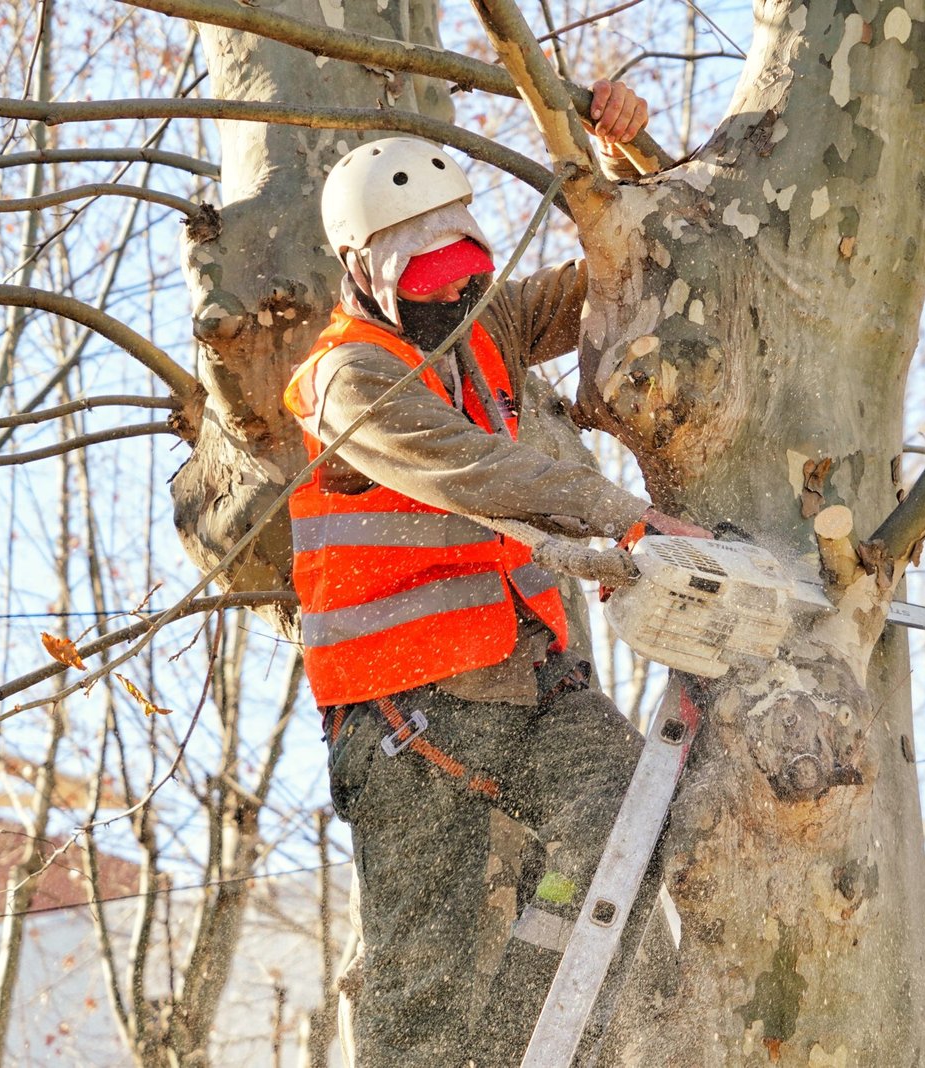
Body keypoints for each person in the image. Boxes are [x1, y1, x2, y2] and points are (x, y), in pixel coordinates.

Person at [281, 81, 707, 1067]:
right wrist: (630, 525)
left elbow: (641, 255)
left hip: (530, 676)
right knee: (419, 987)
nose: (447, 291)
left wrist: (631, 160)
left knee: (622, 837)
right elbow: (481, 471)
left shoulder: (491, 325)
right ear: (360, 268)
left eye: (461, 267)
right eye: (422, 275)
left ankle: (526, 1035)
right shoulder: (349, 379)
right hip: (404, 710)